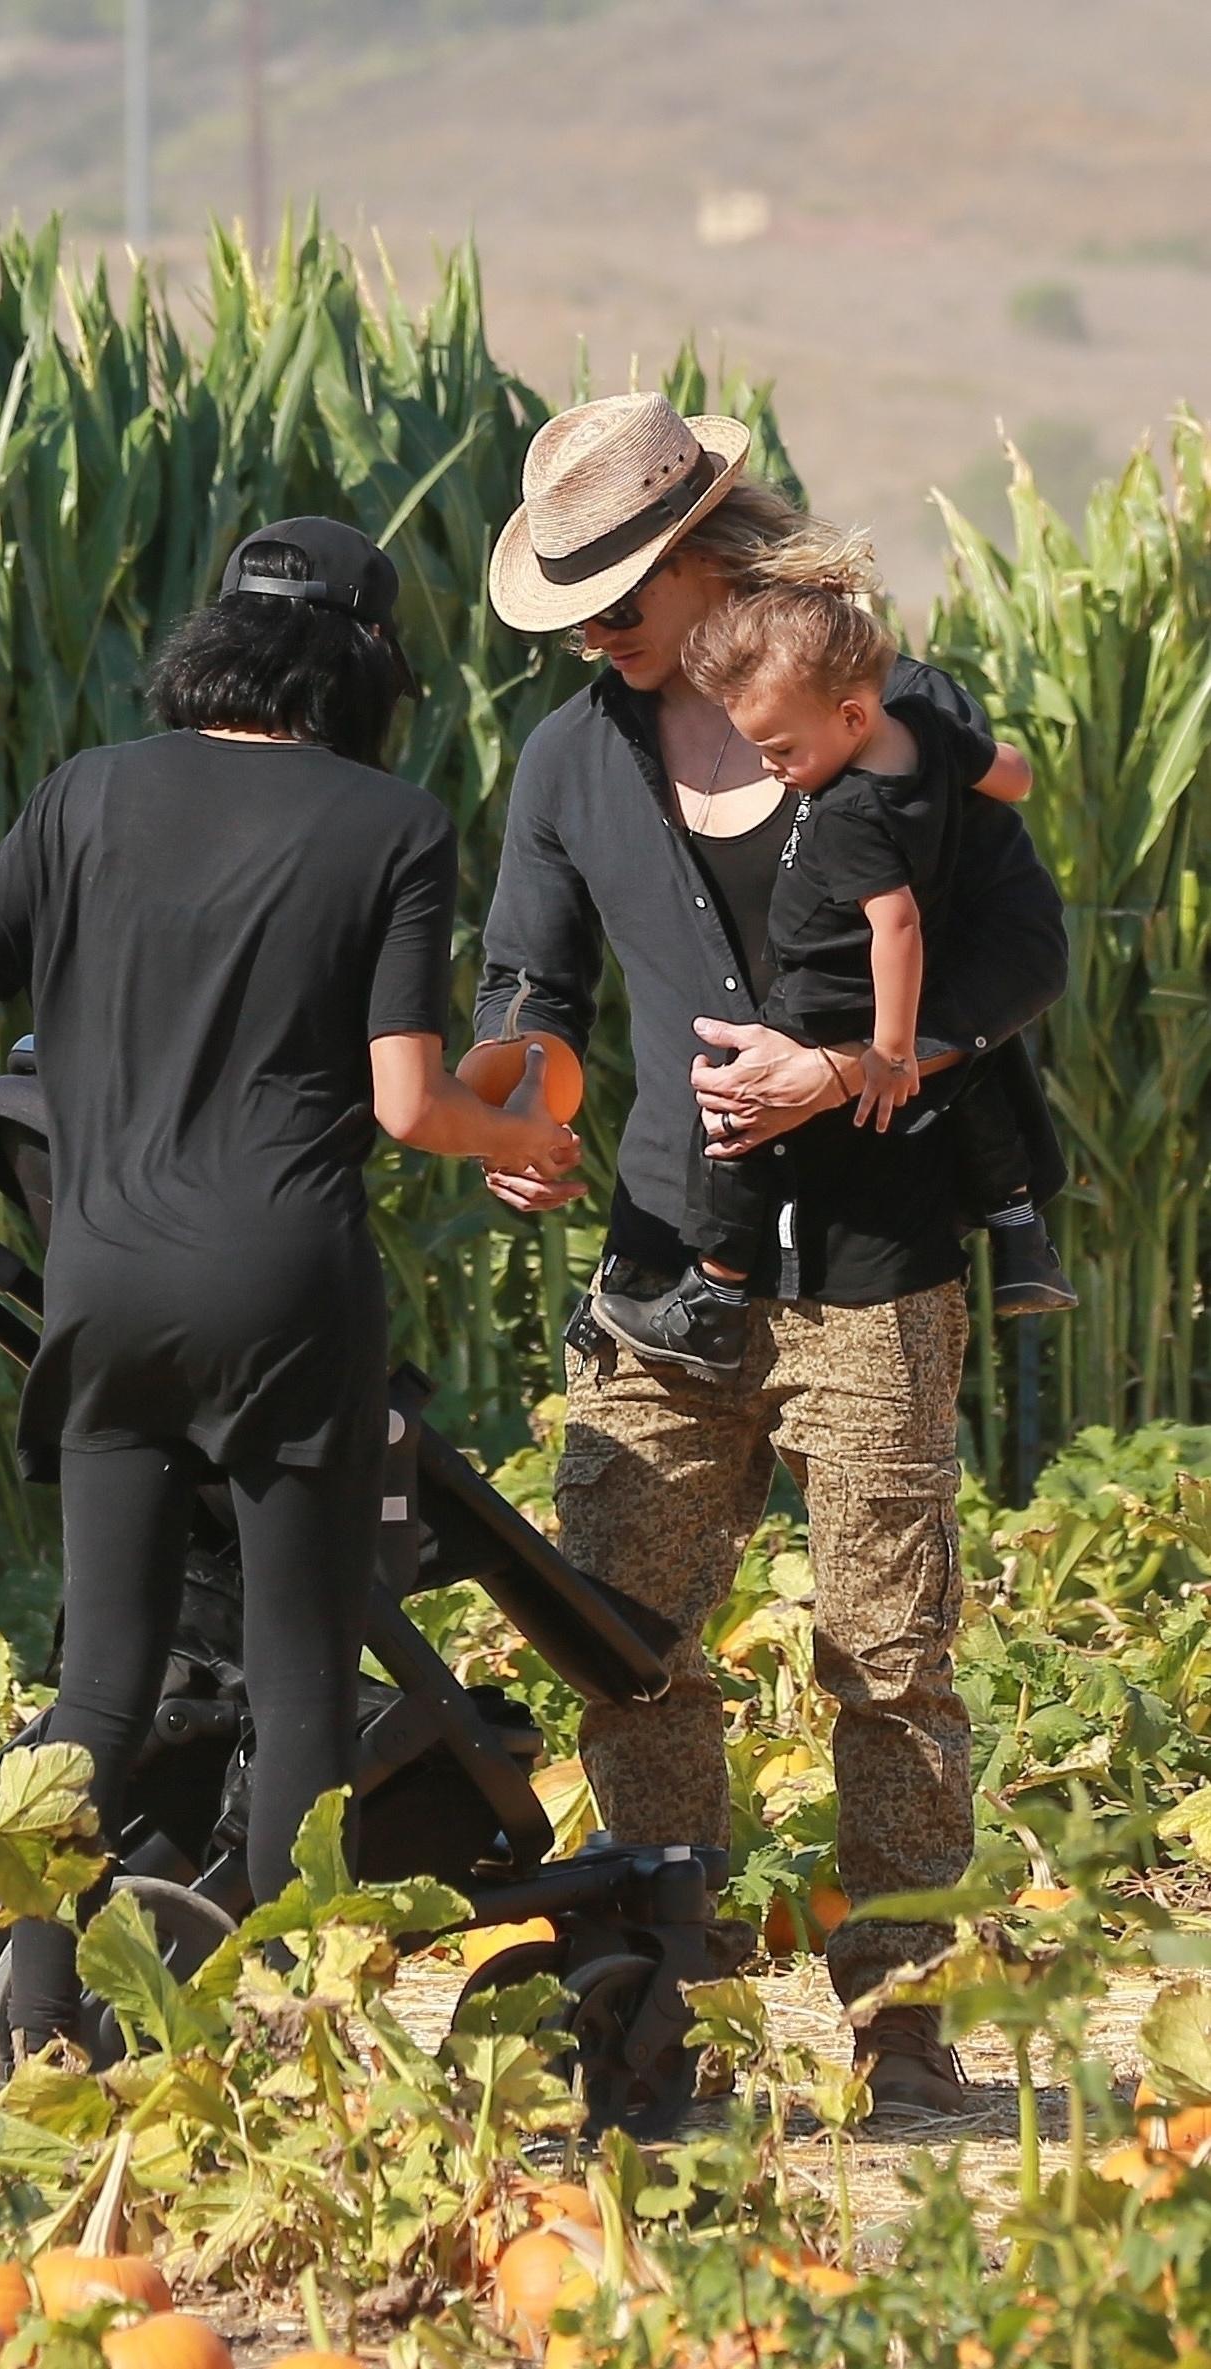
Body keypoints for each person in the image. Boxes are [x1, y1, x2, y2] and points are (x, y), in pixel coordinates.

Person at [0, 516, 577, 2056]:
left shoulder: (89, 792)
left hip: (108, 1282)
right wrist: (527, 1136)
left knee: (100, 1689)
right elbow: (413, 1106)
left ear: (215, 640)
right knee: (297, 1687)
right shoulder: (389, 826)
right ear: (363, 666)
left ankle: (38, 1991)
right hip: (287, 1291)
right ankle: (267, 2021)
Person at [479, 393, 1068, 2118]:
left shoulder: (895, 714)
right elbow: (535, 986)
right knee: (627, 1639)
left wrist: (875, 1061)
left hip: (880, 1254)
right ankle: (678, 2025)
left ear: (697, 553)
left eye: (610, 594)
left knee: (893, 1663)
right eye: (572, 606)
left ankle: (905, 2036)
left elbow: (1024, 946)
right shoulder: (575, 758)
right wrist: (528, 1106)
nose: (592, 633)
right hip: (668, 1256)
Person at [593, 578, 1076, 1380]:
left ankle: (713, 1295)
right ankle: (1020, 1226)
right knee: (980, 1069)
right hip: (886, 982)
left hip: (822, 985)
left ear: (851, 717)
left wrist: (885, 1051)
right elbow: (1014, 775)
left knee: (731, 1114)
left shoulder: (850, 812)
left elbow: (896, 926)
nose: (773, 768)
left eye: (782, 749)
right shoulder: (929, 728)